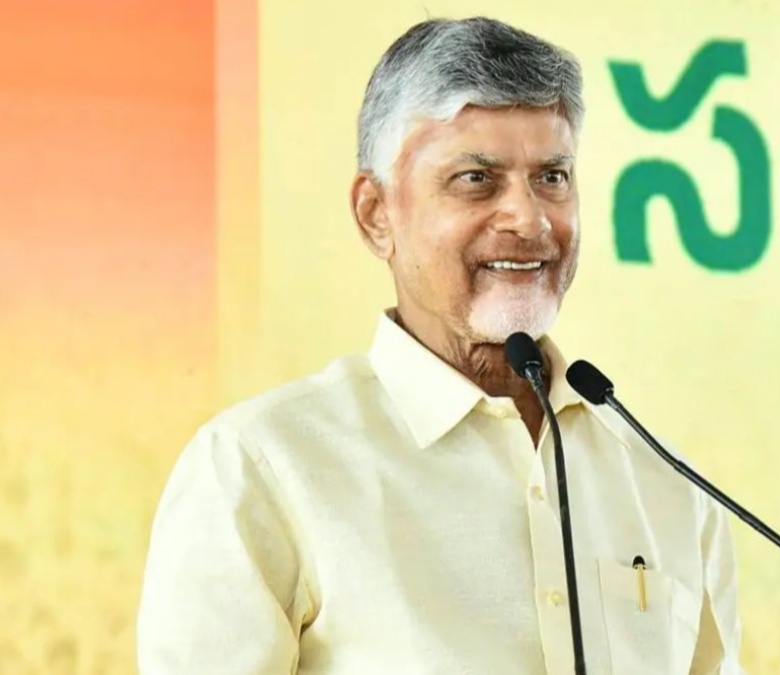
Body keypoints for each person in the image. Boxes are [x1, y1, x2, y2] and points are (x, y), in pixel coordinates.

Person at [137, 15, 745, 675]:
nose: (530, 218)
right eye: (477, 179)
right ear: (376, 214)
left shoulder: (666, 483)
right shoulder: (259, 467)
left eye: (553, 177)